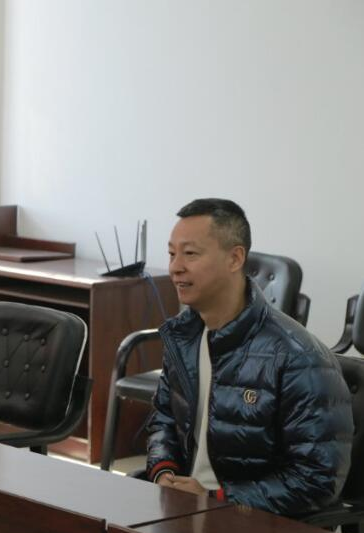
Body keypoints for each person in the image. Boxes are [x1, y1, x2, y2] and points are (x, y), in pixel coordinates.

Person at [147, 198, 353, 516]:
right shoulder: (183, 337)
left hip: (247, 520)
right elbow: (163, 418)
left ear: (235, 258)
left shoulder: (299, 357)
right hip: (183, 507)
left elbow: (317, 480)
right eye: (172, 254)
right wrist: (164, 472)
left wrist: (216, 497)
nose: (175, 267)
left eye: (190, 254)